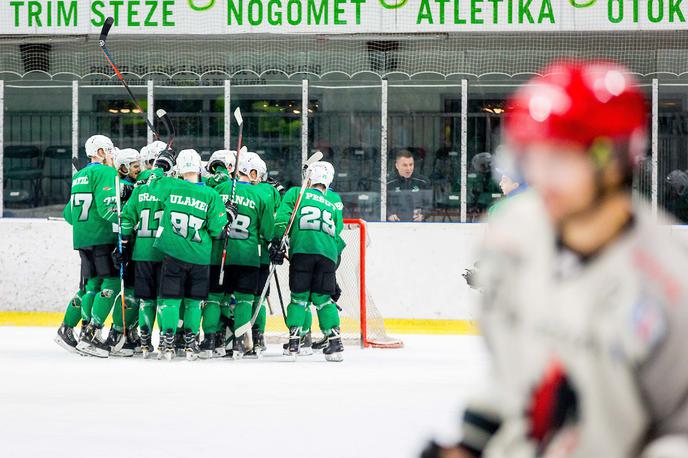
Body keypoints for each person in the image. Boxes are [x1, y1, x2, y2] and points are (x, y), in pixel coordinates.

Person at [424, 60, 688, 458]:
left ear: (611, 160)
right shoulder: (512, 232)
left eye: (559, 160)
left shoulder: (668, 282)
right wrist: (471, 444)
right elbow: (515, 375)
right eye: (532, 158)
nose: (541, 177)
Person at [147, 148, 232, 361]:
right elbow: (216, 230)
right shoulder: (211, 195)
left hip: (173, 254)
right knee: (194, 302)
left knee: (171, 300)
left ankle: (167, 340)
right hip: (199, 256)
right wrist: (228, 215)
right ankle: (191, 343)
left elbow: (151, 183)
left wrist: (161, 165)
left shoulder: (170, 185)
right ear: (199, 169)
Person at [270, 161, 345, 362]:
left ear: (309, 178)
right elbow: (337, 232)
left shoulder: (297, 193)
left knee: (299, 299)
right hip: (328, 255)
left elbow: (282, 219)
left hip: (302, 251)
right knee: (323, 299)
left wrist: (277, 241)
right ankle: (336, 342)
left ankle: (295, 342)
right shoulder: (332, 203)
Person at [55, 135, 118, 357]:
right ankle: (90, 334)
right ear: (100, 152)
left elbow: (69, 215)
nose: (111, 155)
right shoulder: (107, 173)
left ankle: (67, 328)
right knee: (111, 282)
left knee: (90, 285)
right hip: (101, 237)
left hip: (82, 238)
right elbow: (106, 209)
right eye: (109, 151)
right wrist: (127, 222)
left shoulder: (80, 175)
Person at [212, 151, 275, 359]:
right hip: (248, 256)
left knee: (219, 299)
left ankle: (217, 341)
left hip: (221, 254)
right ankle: (241, 343)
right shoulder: (260, 196)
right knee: (245, 301)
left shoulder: (221, 189)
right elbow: (267, 232)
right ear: (254, 173)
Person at [118, 145, 167, 358]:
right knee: (167, 298)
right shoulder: (171, 186)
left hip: (140, 250)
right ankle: (173, 338)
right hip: (166, 252)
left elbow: (126, 217)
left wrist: (124, 243)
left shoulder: (138, 186)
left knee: (143, 297)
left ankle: (140, 339)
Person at [386, 149, 430, 222]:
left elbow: (430, 205)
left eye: (411, 164)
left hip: (417, 226)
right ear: (397, 166)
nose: (408, 168)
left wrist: (423, 215)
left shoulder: (423, 182)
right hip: (394, 225)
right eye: (405, 165)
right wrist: (389, 215)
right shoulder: (388, 183)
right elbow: (378, 204)